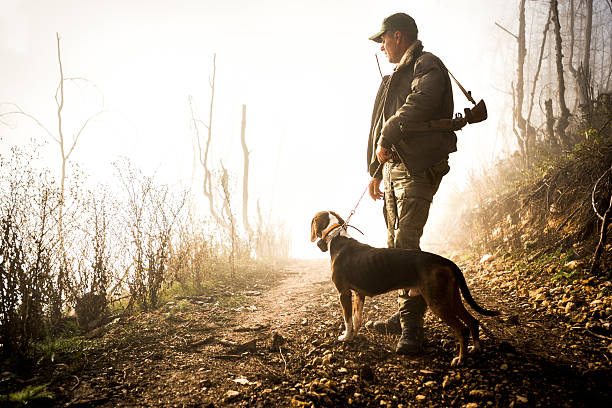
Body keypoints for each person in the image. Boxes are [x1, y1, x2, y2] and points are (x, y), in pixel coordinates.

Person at [366, 12, 457, 354]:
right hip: (392, 173)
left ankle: (413, 328)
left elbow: (421, 104)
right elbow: (377, 127)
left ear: (399, 36)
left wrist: (388, 134)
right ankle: (405, 313)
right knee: (395, 244)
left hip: (418, 171)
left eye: (384, 40)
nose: (382, 47)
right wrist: (376, 170)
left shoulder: (427, 65)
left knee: (405, 244)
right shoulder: (394, 77)